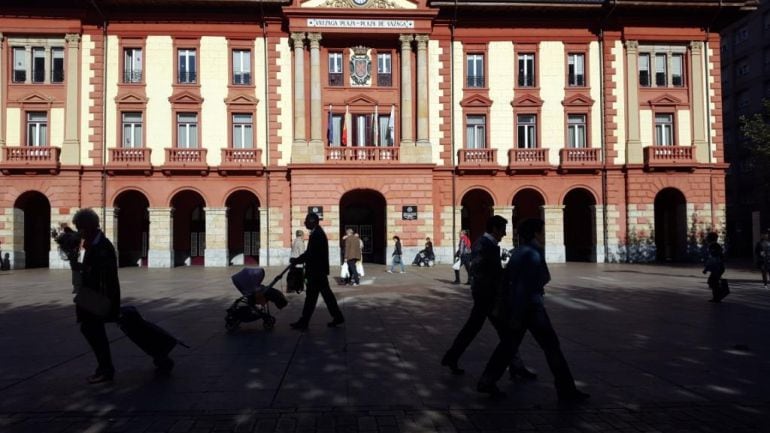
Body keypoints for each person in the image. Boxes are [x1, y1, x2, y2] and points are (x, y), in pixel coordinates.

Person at [477, 218, 589, 402]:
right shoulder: (532, 254)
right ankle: (566, 390)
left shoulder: (519, 251)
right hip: (530, 308)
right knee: (552, 347)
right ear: (536, 233)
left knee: (507, 346)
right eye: (542, 231)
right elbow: (528, 284)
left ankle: (487, 380)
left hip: (519, 308)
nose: (544, 235)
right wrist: (517, 314)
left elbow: (510, 280)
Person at [442, 215, 535, 380]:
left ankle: (452, 357)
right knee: (507, 334)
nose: (505, 234)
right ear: (494, 229)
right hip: (488, 298)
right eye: (503, 230)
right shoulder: (486, 245)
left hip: (485, 297)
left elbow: (484, 270)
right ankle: (515, 368)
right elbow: (485, 272)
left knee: (474, 330)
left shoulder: (484, 243)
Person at [72, 208, 121, 384]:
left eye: (80, 228)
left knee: (93, 331)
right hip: (91, 295)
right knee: (91, 330)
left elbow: (103, 273)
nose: (79, 231)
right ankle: (104, 368)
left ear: (89, 226)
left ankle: (106, 369)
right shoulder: (93, 243)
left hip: (98, 297)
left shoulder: (102, 246)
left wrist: (82, 269)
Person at [289, 213, 345, 329]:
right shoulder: (317, 233)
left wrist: (296, 260)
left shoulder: (317, 234)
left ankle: (304, 322)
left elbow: (311, 254)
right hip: (319, 272)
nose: (305, 223)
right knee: (324, 296)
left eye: (306, 221)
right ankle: (337, 317)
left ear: (312, 221)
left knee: (312, 297)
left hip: (316, 272)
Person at [703, 236, 726, 302]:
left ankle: (717, 297)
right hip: (719, 267)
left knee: (713, 282)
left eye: (707, 239)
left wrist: (706, 269)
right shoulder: (716, 246)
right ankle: (717, 297)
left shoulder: (713, 246)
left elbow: (712, 259)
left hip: (717, 268)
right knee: (713, 282)